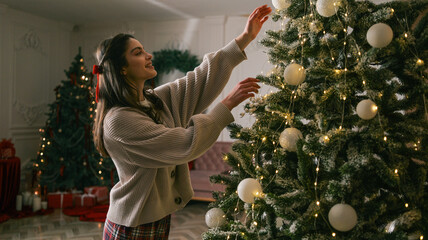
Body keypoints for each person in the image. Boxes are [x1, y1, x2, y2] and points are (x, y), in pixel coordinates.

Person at [92, 4, 272, 239]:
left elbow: (198, 80)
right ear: (122, 69)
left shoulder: (153, 100)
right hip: (132, 225)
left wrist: (245, 37)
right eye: (137, 53)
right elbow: (185, 144)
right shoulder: (118, 121)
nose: (148, 56)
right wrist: (226, 105)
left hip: (157, 218)